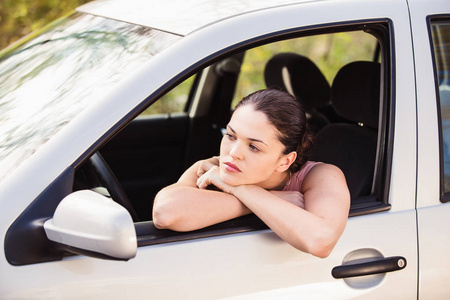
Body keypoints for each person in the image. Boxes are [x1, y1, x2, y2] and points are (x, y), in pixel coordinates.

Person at [152, 89, 350, 258]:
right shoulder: (212, 168)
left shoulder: (320, 176)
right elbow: (165, 212)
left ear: (285, 161)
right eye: (230, 136)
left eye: (254, 147)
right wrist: (273, 199)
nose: (233, 153)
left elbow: (321, 241)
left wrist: (238, 189)